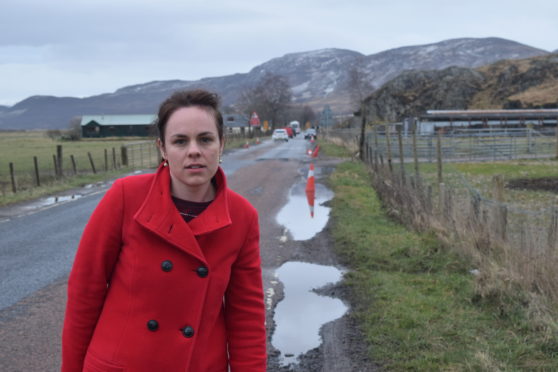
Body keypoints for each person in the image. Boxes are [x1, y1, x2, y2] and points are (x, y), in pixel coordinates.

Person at [62, 89, 267, 371]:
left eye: (205, 139)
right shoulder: (125, 198)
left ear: (222, 144)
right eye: (180, 141)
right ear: (162, 149)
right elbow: (85, 291)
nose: (194, 150)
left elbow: (246, 316)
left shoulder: (242, 216)